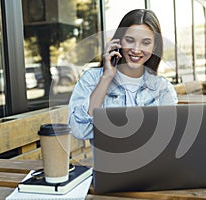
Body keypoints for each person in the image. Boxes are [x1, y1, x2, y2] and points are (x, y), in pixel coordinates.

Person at [67, 9, 178, 141]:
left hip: (154, 160)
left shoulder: (162, 88)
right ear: (119, 41)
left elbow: (169, 137)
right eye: (130, 40)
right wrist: (106, 78)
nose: (136, 49)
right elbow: (80, 131)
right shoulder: (92, 79)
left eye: (146, 43)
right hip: (110, 161)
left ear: (154, 47)